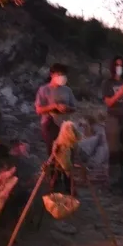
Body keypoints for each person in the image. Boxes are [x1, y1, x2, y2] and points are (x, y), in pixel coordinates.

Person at [34, 63, 76, 192]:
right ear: (52, 75)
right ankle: (54, 183)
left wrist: (66, 108)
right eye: (59, 74)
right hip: (49, 123)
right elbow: (38, 109)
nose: (61, 77)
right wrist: (54, 106)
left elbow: (74, 107)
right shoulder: (44, 90)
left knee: (68, 154)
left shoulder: (67, 90)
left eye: (63, 75)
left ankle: (68, 185)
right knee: (54, 152)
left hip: (64, 125)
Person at [101, 55, 123, 193]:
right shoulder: (108, 83)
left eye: (121, 65)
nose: (119, 67)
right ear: (113, 67)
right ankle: (113, 182)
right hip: (113, 118)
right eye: (117, 65)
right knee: (114, 151)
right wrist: (120, 93)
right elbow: (109, 102)